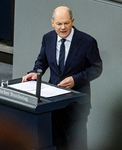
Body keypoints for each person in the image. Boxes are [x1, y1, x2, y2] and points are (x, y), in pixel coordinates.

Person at [22, 6, 102, 150]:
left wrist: (75, 80)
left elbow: (97, 68)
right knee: (55, 145)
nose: (63, 27)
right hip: (52, 104)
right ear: (53, 23)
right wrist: (35, 72)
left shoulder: (87, 41)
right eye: (59, 24)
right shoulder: (48, 38)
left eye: (66, 23)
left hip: (76, 107)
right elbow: (42, 61)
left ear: (72, 21)